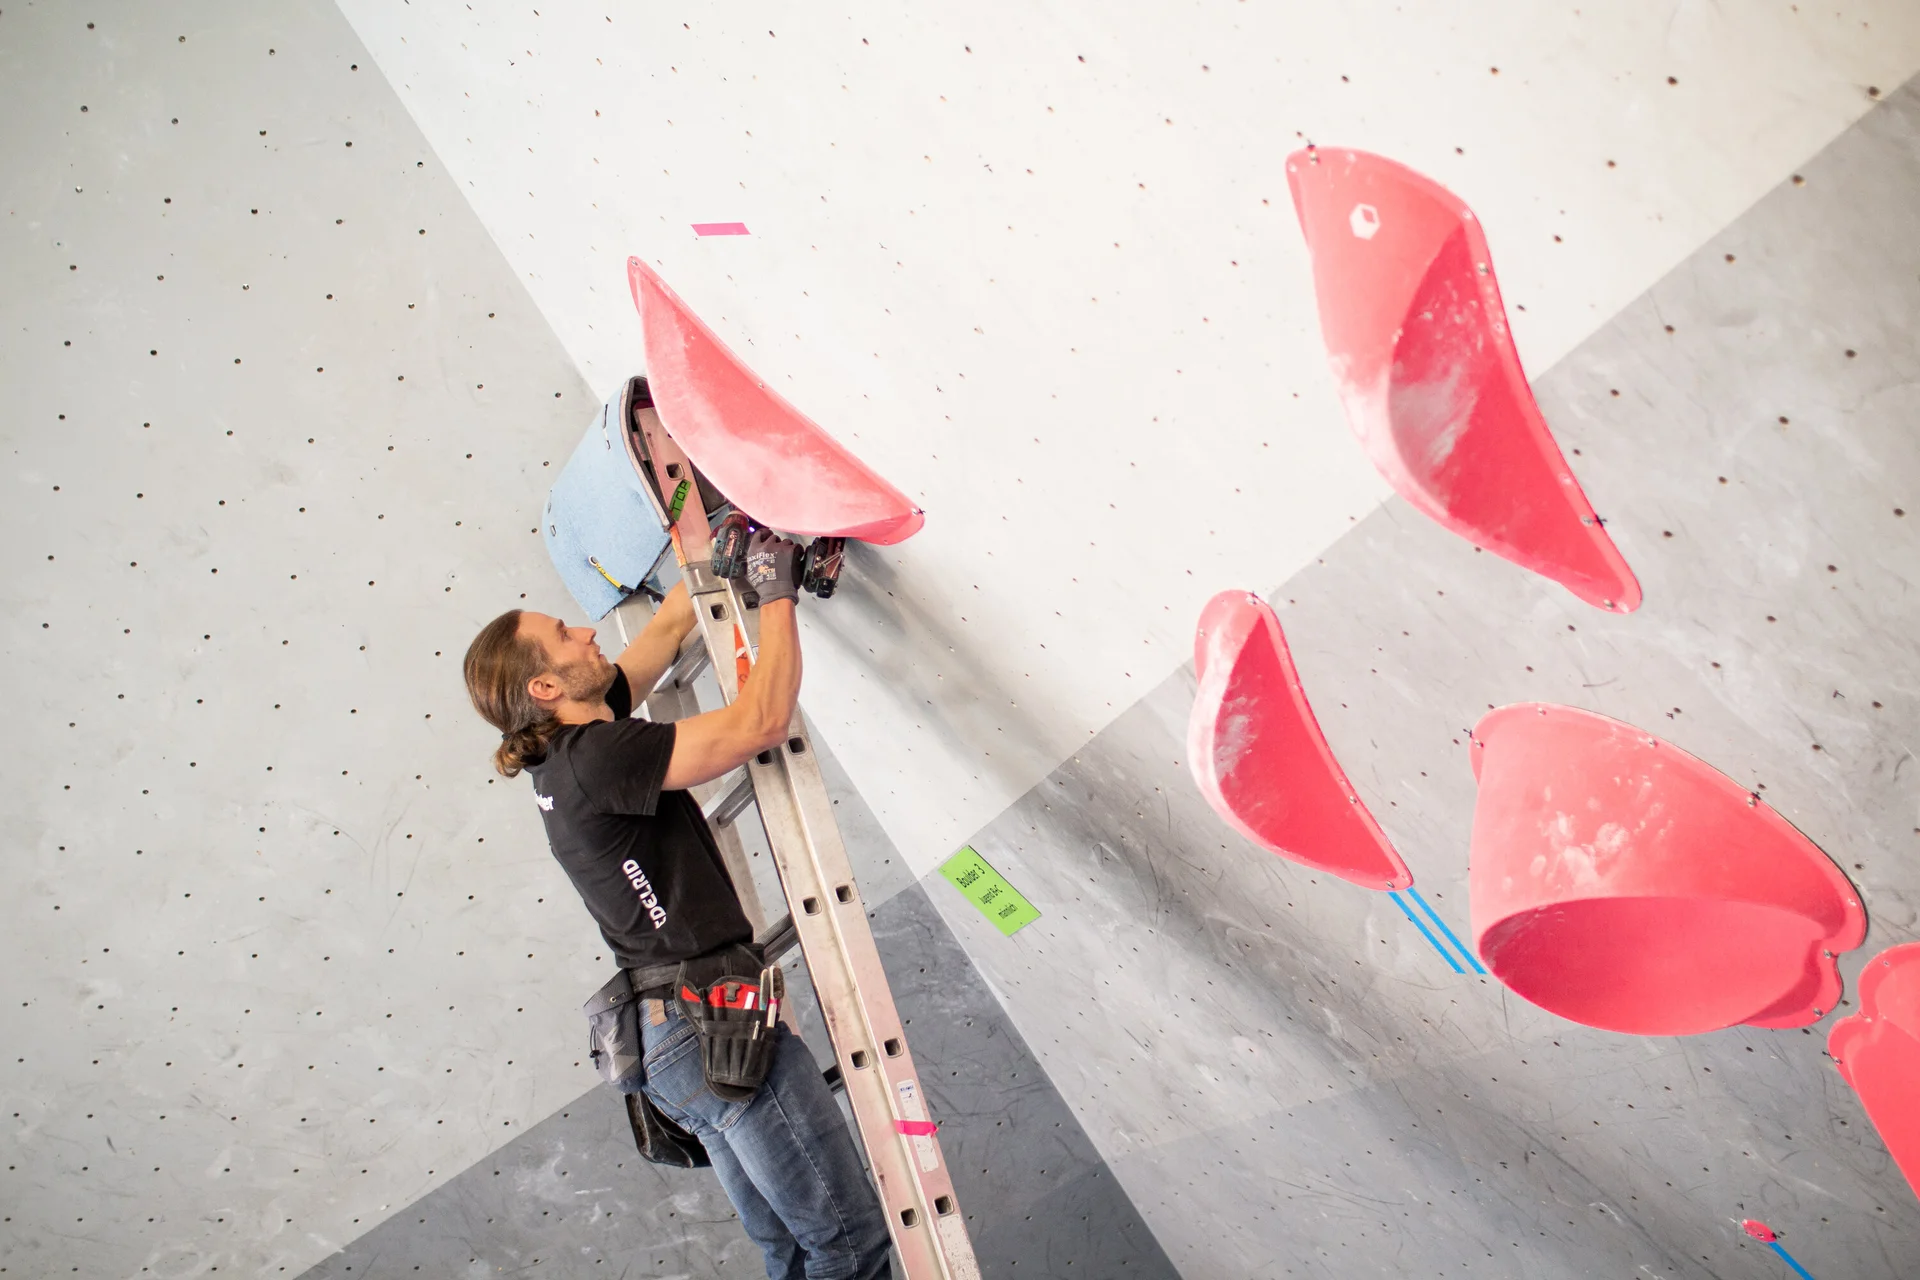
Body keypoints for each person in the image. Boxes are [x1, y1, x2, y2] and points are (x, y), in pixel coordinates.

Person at [462, 531, 893, 1280]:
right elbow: (758, 726)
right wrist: (778, 590)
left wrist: (702, 537)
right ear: (545, 688)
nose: (588, 628)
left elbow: (665, 631)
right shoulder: (601, 757)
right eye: (565, 634)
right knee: (847, 1246)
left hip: (671, 1043)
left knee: (791, 1250)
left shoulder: (568, 751)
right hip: (707, 1024)